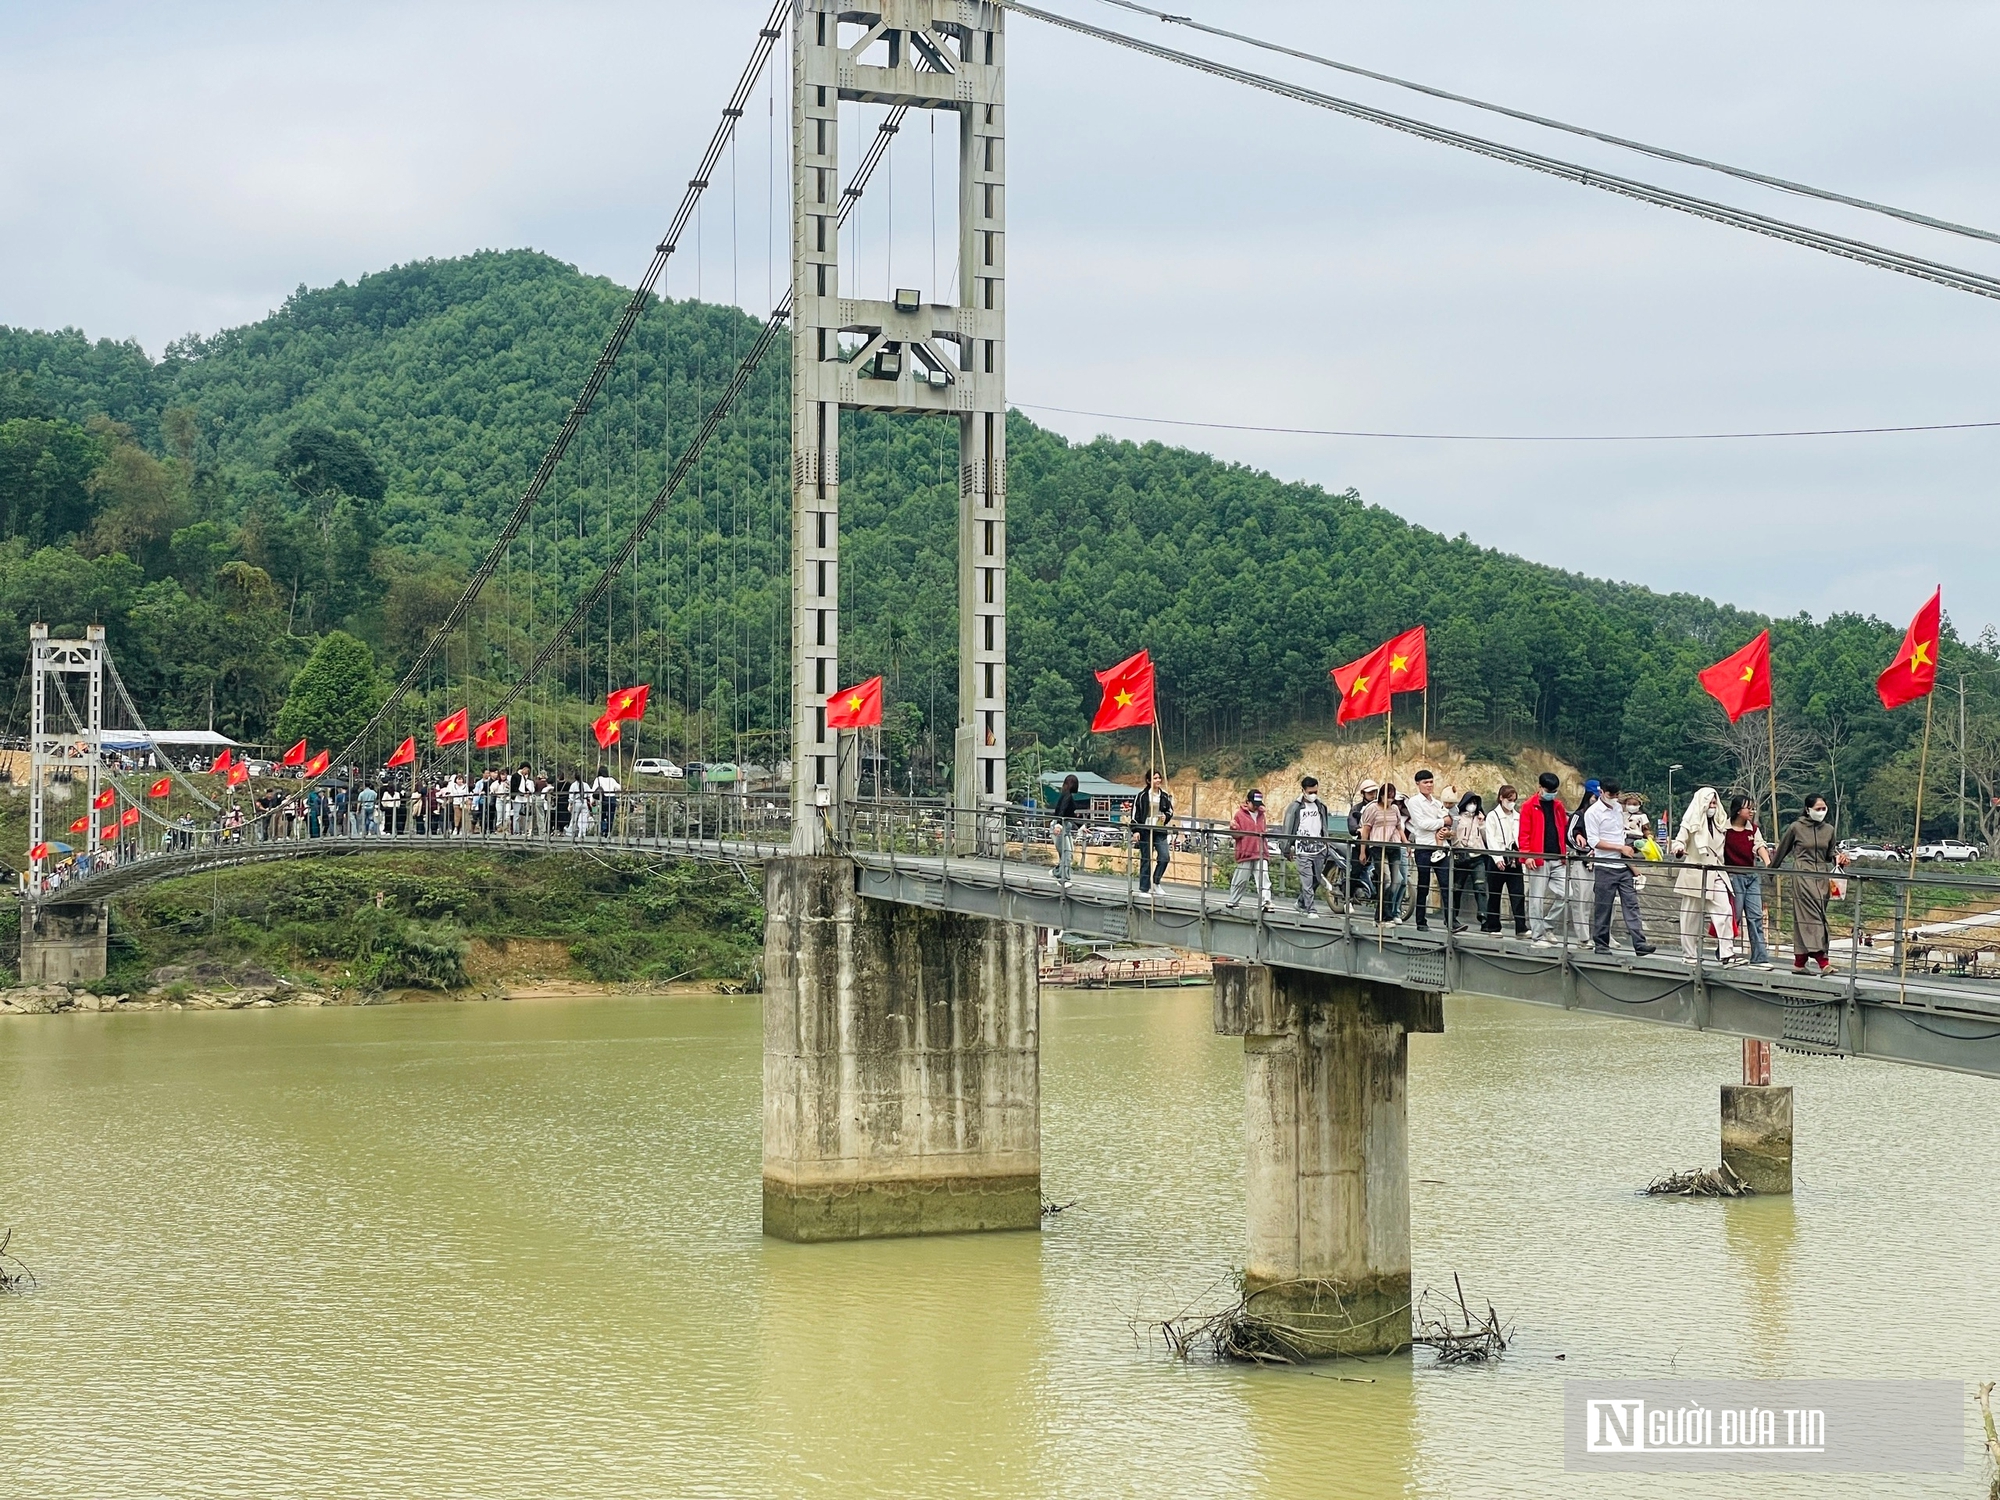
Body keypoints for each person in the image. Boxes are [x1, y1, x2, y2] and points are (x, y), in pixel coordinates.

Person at [1770, 793, 1847, 972]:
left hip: (1822, 876)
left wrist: (1839, 858)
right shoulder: (1796, 827)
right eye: (1818, 809)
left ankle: (1799, 962)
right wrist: (1771, 870)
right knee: (1813, 918)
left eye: (1824, 808)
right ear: (1808, 809)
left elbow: (1830, 854)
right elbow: (1782, 849)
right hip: (1802, 874)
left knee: (1810, 918)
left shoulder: (1829, 829)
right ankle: (1823, 962)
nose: (1821, 812)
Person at [1585, 779, 1655, 956]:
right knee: (1603, 907)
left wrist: (1629, 847)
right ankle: (1601, 944)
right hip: (1605, 865)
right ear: (1602, 792)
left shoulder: (1617, 807)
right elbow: (1594, 841)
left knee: (1631, 904)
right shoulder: (1592, 813)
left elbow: (1621, 832)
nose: (1614, 798)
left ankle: (1639, 943)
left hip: (1622, 864)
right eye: (1611, 795)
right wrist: (1619, 848)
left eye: (1616, 795)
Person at [1671, 786, 1738, 964]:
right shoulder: (1690, 822)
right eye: (1709, 802)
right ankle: (1689, 955)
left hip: (1716, 872)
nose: (1712, 805)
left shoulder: (1721, 822)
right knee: (1690, 917)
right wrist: (1678, 848)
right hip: (1695, 872)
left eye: (1715, 802)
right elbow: (1679, 840)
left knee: (1724, 911)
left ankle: (1727, 954)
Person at [1518, 773, 1568, 943]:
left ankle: (1547, 925)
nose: (1552, 793)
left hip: (1557, 857)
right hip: (1538, 858)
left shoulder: (1558, 806)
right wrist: (1527, 855)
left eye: (1554, 791)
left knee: (1567, 893)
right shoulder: (1529, 806)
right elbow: (1523, 834)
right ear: (1539, 787)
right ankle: (1537, 935)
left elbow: (1562, 829)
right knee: (1536, 899)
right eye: (1549, 790)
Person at [1723, 795, 1770, 966]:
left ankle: (1760, 957)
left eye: (1752, 808)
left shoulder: (1753, 830)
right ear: (1737, 810)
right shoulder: (1724, 829)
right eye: (1747, 808)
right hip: (1733, 876)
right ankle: (1724, 951)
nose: (1751, 811)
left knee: (1755, 916)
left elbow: (1760, 846)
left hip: (1751, 876)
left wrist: (1768, 864)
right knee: (1733, 917)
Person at [1281, 776, 1336, 916]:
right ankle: (1310, 909)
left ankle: (1300, 903)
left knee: (1316, 878)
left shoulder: (1320, 806)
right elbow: (1288, 827)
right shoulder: (1295, 808)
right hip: (1302, 849)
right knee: (1306, 879)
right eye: (1310, 792)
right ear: (1303, 791)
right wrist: (1286, 848)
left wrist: (1326, 843)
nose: (1313, 795)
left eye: (1315, 792)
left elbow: (1324, 826)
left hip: (1319, 849)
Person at [1405, 770, 1451, 930]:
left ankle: (1451, 920)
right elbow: (1422, 824)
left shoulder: (1437, 803)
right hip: (1424, 847)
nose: (1429, 785)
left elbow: (1449, 821)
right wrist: (1441, 821)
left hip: (1441, 846)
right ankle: (1421, 921)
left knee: (1446, 884)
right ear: (1418, 784)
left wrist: (1443, 823)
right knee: (1423, 884)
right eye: (1425, 782)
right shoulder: (1414, 802)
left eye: (1431, 782)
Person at [1357, 780, 1407, 921]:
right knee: (1386, 879)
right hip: (1378, 847)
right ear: (1381, 796)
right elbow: (1366, 830)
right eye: (1388, 796)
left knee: (1396, 881)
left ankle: (1384, 911)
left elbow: (1398, 827)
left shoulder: (1395, 809)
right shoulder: (1372, 809)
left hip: (1394, 846)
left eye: (1392, 797)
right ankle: (1385, 915)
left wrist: (1406, 843)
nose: (1390, 800)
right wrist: (1363, 851)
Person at [1483, 783, 1528, 935]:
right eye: (1509, 799)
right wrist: (1497, 858)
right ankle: (1493, 926)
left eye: (1514, 799)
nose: (1511, 802)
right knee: (1495, 894)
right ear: (1501, 798)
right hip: (1497, 859)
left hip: (1514, 859)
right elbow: (1491, 839)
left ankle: (1521, 927)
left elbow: (1520, 836)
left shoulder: (1517, 817)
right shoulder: (1492, 816)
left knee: (1518, 893)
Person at [1448, 791, 1488, 931]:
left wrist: (1482, 824)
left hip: (1477, 857)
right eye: (1471, 802)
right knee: (1457, 888)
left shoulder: (1480, 818)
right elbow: (1451, 835)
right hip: (1461, 857)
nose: (1473, 805)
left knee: (1480, 886)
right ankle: (1453, 917)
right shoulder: (1457, 817)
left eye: (1475, 803)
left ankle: (1483, 916)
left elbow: (1486, 838)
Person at [1226, 789, 1271, 912]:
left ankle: (1266, 902)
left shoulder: (1262, 815)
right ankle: (1233, 901)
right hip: (1246, 851)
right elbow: (1236, 835)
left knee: (1263, 876)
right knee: (1241, 878)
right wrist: (1233, 829)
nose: (1256, 807)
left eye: (1258, 804)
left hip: (1261, 851)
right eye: (1254, 804)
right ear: (1248, 802)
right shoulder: (1239, 815)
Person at [1131, 770, 1174, 893]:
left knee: (1164, 856)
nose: (1158, 780)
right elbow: (1135, 814)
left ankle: (1156, 882)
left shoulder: (1164, 796)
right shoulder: (1142, 796)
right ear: (1149, 781)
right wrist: (1136, 830)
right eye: (1155, 778)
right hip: (1145, 831)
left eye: (1159, 778)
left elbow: (1170, 811)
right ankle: (1144, 888)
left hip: (1159, 830)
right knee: (1146, 859)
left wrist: (1166, 817)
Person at [1053, 773, 1086, 884]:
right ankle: (1063, 879)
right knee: (1067, 853)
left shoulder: (1066, 795)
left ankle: (1057, 872)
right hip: (1061, 827)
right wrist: (1058, 824)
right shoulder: (1067, 796)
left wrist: (1081, 826)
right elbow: (1061, 811)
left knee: (1067, 852)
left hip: (1064, 827)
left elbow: (1070, 815)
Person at [593, 764, 621, 837]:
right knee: (611, 816)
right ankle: (608, 832)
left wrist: (592, 800)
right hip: (612, 799)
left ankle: (604, 829)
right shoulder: (611, 779)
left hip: (604, 799)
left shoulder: (598, 779)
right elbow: (619, 788)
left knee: (602, 815)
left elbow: (593, 790)